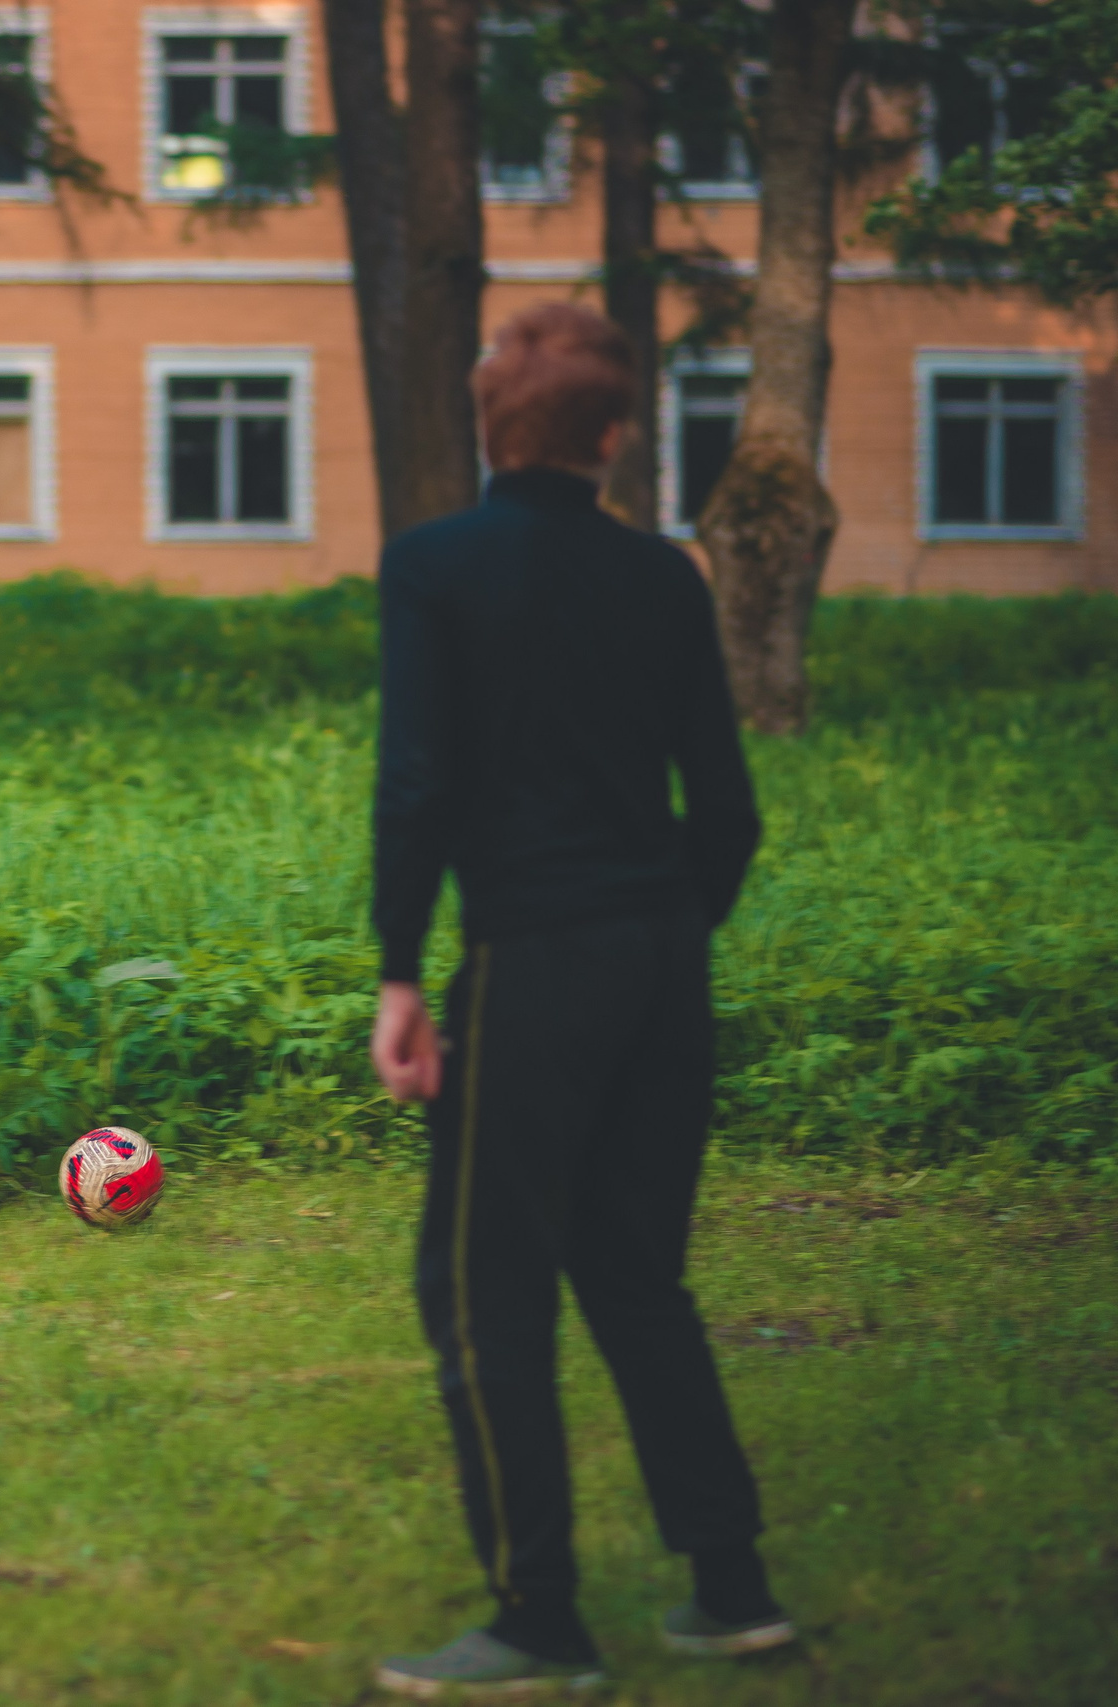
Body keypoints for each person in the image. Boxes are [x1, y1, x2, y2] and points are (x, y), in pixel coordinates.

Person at [366, 302, 786, 1699]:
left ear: (493, 429)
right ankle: (731, 1587)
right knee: (635, 1274)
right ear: (615, 438)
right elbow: (725, 815)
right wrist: (659, 937)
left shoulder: (433, 566)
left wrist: (402, 971)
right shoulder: (667, 578)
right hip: (664, 961)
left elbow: (417, 784)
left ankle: (539, 1616)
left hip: (534, 965)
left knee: (481, 1291)